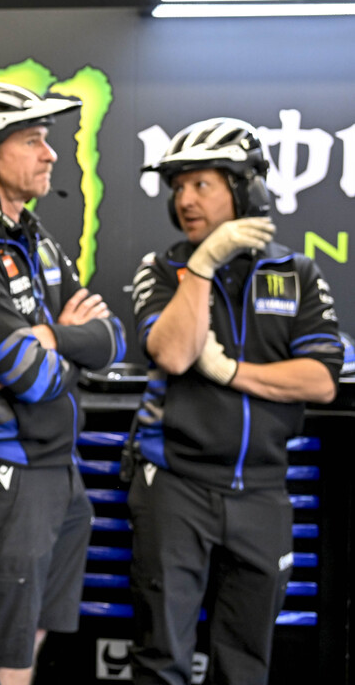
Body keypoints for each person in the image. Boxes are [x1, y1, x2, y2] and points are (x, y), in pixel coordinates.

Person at [0, 82, 126, 684]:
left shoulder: (35, 237)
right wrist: (59, 341)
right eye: (33, 140)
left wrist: (50, 337)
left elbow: (113, 340)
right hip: (4, 477)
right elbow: (29, 377)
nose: (50, 153)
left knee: (31, 636)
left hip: (60, 472)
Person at [128, 118, 342, 685]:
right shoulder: (163, 269)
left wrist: (229, 372)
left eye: (201, 184)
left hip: (263, 493)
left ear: (247, 189)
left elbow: (320, 380)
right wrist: (203, 265)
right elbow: (174, 353)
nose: (185, 200)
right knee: (161, 659)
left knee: (245, 663)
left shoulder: (296, 273)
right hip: (175, 486)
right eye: (178, 187)